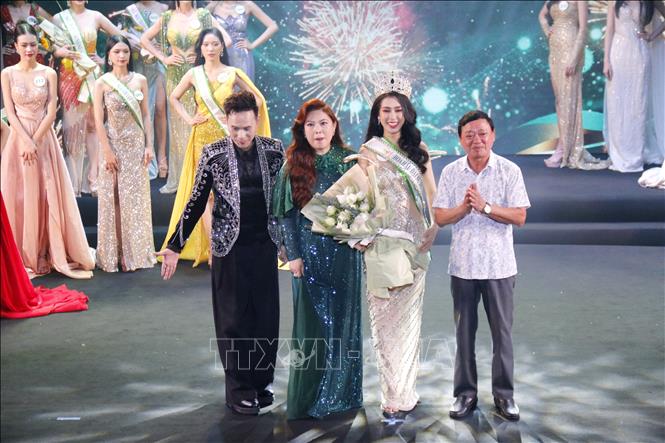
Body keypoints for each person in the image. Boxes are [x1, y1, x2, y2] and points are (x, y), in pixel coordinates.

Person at [157, 91, 284, 416]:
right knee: (233, 320)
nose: (241, 135)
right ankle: (239, 389)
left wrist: (292, 243)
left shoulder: (274, 151)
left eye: (247, 128)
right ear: (226, 122)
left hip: (265, 245)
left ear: (257, 121)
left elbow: (287, 200)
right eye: (235, 128)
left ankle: (262, 383)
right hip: (230, 248)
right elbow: (196, 201)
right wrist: (174, 245)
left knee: (266, 318)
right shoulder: (212, 154)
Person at [433, 110, 530, 422]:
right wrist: (464, 208)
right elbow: (440, 217)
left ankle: (505, 396)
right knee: (464, 335)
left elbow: (519, 216)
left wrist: (486, 206)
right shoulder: (451, 172)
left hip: (499, 266)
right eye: (469, 135)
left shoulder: (509, 170)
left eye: (482, 133)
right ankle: (465, 394)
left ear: (493, 135)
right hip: (463, 267)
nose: (477, 140)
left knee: (502, 335)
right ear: (461, 140)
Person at [273, 99, 363, 419]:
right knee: (310, 329)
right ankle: (309, 398)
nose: (318, 130)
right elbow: (285, 216)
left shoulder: (349, 161)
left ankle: (342, 395)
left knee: (344, 324)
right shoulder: (293, 164)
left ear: (334, 126)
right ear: (303, 130)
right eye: (310, 125)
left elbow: (364, 208)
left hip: (345, 255)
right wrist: (294, 256)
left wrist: (362, 235)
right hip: (308, 258)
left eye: (323, 123)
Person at [358, 73, 438, 421]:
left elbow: (432, 194)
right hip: (381, 245)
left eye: (397, 110)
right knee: (383, 322)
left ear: (406, 113)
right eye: (386, 111)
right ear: (377, 116)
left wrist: (434, 226)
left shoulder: (419, 150)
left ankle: (406, 390)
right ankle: (391, 395)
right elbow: (361, 198)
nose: (392, 117)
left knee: (407, 323)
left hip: (414, 245)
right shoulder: (368, 151)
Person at [160, 27, 270, 267]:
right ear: (200, 49)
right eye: (206, 45)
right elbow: (174, 97)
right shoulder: (193, 74)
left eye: (215, 44)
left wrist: (242, 120)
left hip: (227, 138)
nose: (210, 48)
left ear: (222, 47)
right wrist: (189, 119)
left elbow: (258, 99)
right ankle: (214, 247)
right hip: (202, 138)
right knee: (205, 196)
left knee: (229, 191)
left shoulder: (233, 73)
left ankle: (233, 242)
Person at [0, 20, 93, 279]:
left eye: (32, 45)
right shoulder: (7, 74)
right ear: (16, 46)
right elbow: (10, 112)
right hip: (18, 138)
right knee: (20, 194)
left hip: (44, 137)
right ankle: (22, 253)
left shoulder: (49, 72)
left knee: (46, 192)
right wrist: (25, 140)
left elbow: (52, 112)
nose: (29, 50)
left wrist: (35, 140)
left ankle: (45, 249)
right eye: (24, 45)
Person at [140, 0, 230, 193]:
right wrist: (163, 58)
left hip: (199, 77)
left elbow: (226, 40)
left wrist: (201, 56)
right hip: (174, 76)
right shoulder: (167, 17)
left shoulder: (203, 15)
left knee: (198, 125)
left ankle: (201, 178)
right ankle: (181, 179)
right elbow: (144, 39)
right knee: (178, 130)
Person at [93, 35, 156, 273]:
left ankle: (134, 253)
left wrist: (149, 146)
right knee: (114, 197)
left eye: (125, 51)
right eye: (117, 52)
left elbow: (147, 115)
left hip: (135, 145)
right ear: (109, 56)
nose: (122, 56)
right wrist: (107, 150)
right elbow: (98, 120)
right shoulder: (102, 83)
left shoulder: (140, 80)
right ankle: (116, 253)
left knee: (135, 199)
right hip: (113, 144)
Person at [51, 0, 124, 196]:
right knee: (72, 128)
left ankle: (94, 178)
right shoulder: (59, 18)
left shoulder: (96, 16)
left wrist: (104, 58)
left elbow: (120, 38)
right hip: (69, 74)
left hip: (91, 74)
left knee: (93, 124)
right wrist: (58, 52)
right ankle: (73, 182)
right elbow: (51, 47)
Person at [539, 0, 609, 169]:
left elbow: (583, 29)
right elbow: (541, 16)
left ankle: (564, 148)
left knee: (568, 100)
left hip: (571, 50)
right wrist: (547, 29)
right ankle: (563, 146)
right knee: (559, 100)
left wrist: (574, 58)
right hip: (555, 51)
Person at [112, 0, 170, 179]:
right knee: (142, 110)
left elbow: (172, 36)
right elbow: (121, 35)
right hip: (138, 63)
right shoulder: (130, 11)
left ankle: (161, 155)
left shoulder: (165, 9)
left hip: (159, 63)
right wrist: (131, 42)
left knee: (159, 108)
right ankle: (144, 156)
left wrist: (163, 48)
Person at [604, 0, 657, 173]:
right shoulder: (615, 1)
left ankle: (635, 155)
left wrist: (652, 35)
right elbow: (610, 30)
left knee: (638, 106)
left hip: (640, 54)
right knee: (617, 104)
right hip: (618, 53)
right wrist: (606, 61)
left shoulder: (648, 2)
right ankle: (619, 153)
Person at [208, 1, 278, 81]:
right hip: (220, 55)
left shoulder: (247, 5)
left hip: (241, 56)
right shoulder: (213, 6)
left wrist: (252, 45)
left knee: (243, 86)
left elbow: (273, 26)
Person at [1, 0, 51, 68]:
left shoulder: (34, 8)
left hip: (34, 56)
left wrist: (47, 48)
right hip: (12, 58)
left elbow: (52, 28)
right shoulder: (3, 10)